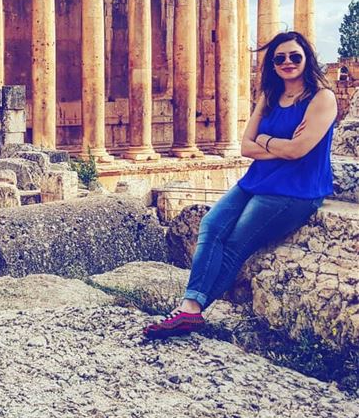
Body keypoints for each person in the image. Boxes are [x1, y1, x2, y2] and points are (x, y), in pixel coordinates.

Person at [143, 31, 337, 339]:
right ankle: (189, 307)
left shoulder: (322, 98)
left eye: (295, 56)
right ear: (272, 65)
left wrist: (266, 140)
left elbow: (299, 151)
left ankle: (191, 310)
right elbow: (245, 147)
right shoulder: (270, 97)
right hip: (257, 180)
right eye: (280, 58)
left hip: (295, 190)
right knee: (211, 225)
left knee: (236, 243)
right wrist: (276, 143)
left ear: (307, 59)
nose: (288, 62)